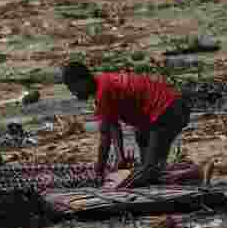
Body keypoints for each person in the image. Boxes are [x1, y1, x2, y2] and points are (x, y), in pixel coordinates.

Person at [62, 61, 190, 188]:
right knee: (142, 140)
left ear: (82, 81)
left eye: (73, 89)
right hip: (169, 111)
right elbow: (109, 128)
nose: (74, 93)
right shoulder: (103, 84)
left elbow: (107, 136)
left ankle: (161, 176)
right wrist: (117, 159)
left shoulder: (104, 90)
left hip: (168, 111)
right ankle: (155, 171)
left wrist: (104, 168)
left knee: (147, 171)